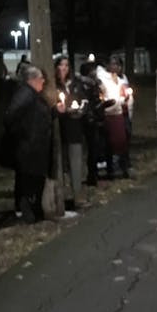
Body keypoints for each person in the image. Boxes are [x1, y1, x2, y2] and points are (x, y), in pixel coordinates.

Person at [0, 66, 57, 223]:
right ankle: (28, 211)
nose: (44, 81)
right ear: (32, 80)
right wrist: (25, 134)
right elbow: (11, 116)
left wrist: (55, 112)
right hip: (29, 147)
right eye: (41, 78)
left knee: (33, 179)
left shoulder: (33, 95)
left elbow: (39, 115)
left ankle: (31, 211)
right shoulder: (25, 94)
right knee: (29, 180)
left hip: (34, 145)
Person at [55, 56, 88, 209]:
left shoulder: (75, 83)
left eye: (67, 65)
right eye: (61, 65)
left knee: (76, 162)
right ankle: (60, 196)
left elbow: (84, 100)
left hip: (75, 127)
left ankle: (77, 194)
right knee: (60, 164)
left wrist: (81, 109)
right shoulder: (54, 85)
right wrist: (63, 110)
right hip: (60, 128)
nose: (64, 68)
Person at [97, 59, 132, 179]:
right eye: (112, 64)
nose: (115, 67)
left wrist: (125, 99)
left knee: (121, 140)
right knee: (110, 142)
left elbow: (120, 97)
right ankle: (111, 169)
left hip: (118, 113)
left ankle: (122, 167)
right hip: (108, 114)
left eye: (117, 64)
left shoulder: (120, 80)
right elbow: (102, 95)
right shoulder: (102, 79)